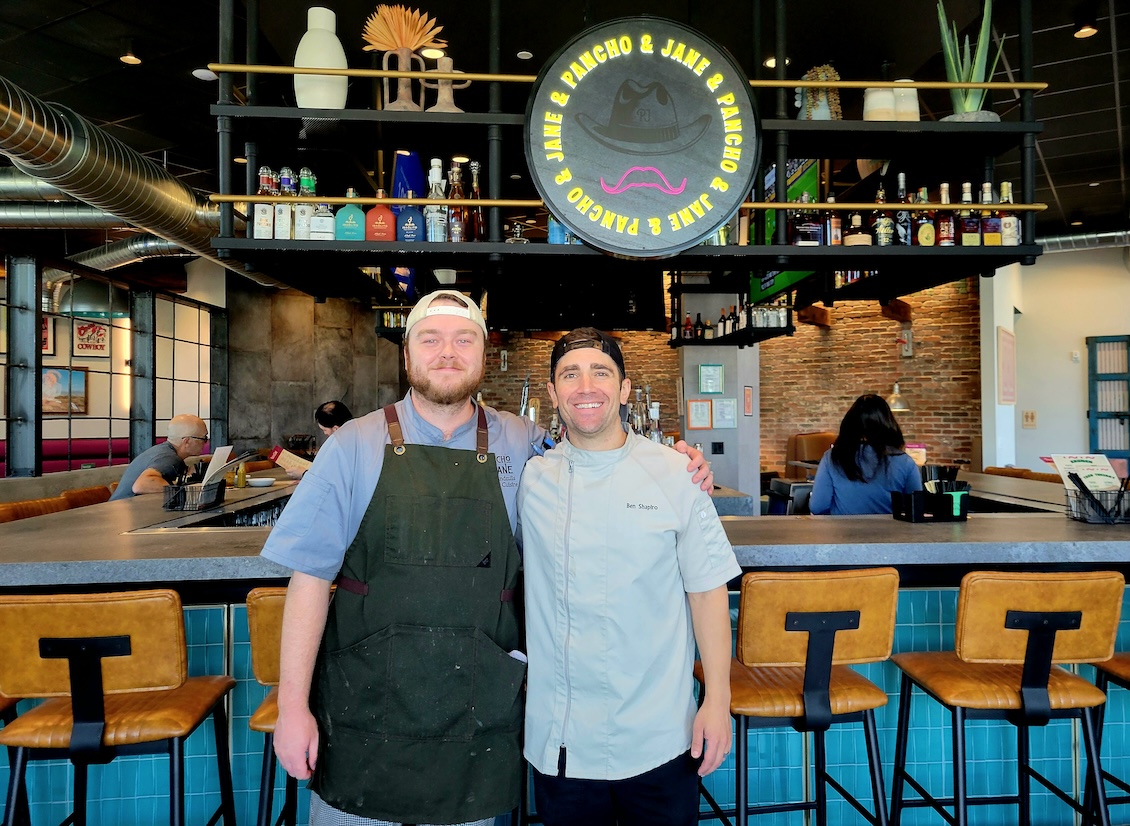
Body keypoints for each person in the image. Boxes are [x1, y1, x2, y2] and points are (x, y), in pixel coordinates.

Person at [260, 290, 712, 826]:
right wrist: (292, 708)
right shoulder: (353, 445)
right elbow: (309, 580)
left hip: (474, 719)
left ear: (482, 353)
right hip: (367, 713)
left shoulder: (524, 441)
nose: (446, 352)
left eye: (463, 339)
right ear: (407, 356)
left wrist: (675, 463)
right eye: (430, 339)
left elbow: (599, 447)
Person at [517, 327, 741, 826]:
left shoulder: (676, 474)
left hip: (661, 736)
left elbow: (707, 594)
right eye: (569, 375)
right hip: (562, 742)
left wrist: (718, 700)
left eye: (601, 372)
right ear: (553, 394)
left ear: (623, 388)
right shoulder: (531, 480)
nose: (586, 386)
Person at [808, 393, 922, 515]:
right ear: (888, 425)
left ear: (850, 424)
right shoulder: (905, 461)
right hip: (891, 532)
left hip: (842, 532)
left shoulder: (832, 457)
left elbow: (817, 507)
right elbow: (917, 508)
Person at [109, 414, 208, 501]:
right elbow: (141, 485)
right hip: (121, 516)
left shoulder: (165, 452)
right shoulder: (169, 458)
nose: (205, 442)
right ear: (187, 441)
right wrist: (180, 489)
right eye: (204, 438)